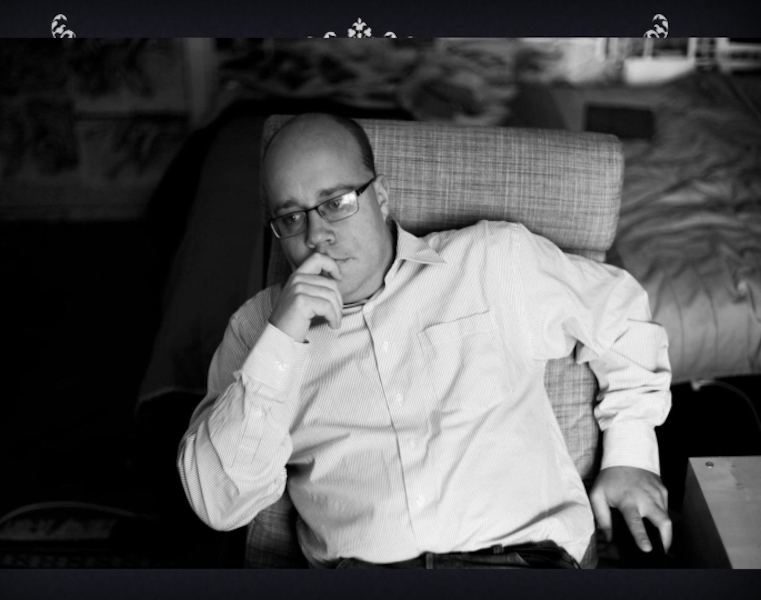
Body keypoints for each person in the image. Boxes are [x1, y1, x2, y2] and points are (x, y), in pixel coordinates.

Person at [177, 113, 673, 569]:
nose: (316, 235)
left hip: (519, 564)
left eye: (336, 203)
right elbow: (220, 505)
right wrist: (282, 342)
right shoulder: (257, 332)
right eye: (291, 217)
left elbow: (620, 312)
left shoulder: (490, 261)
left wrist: (631, 455)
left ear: (381, 197)